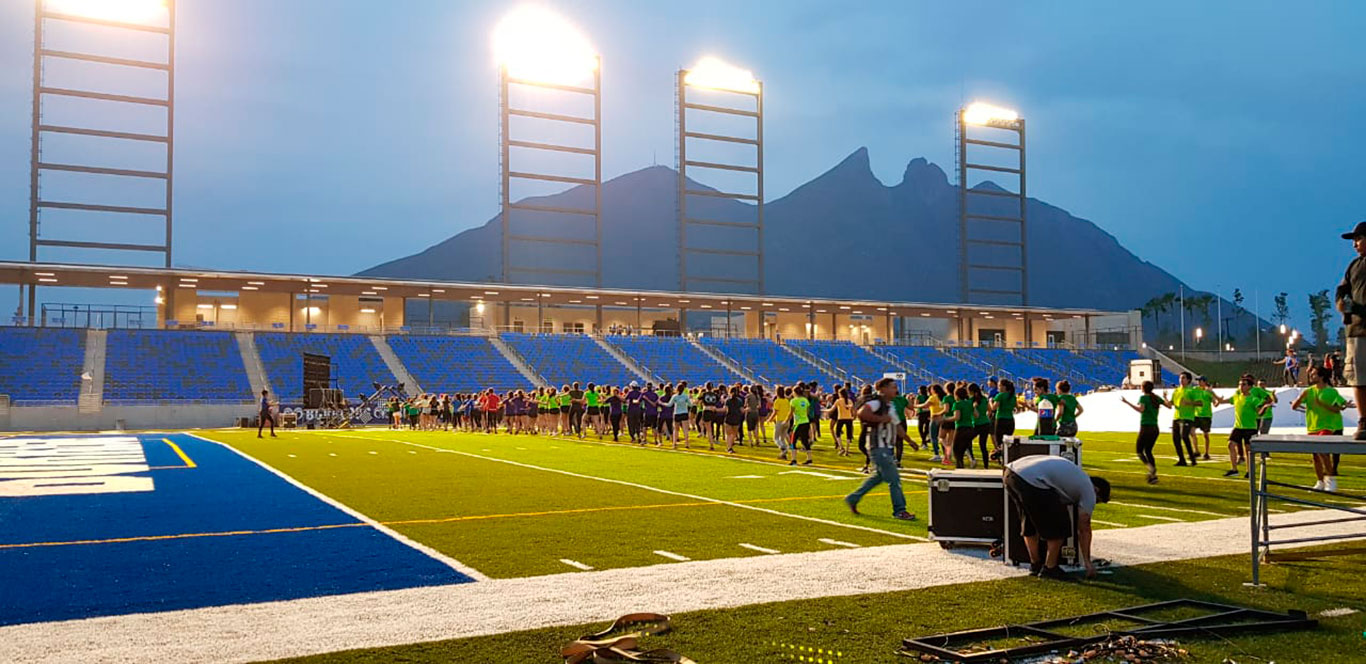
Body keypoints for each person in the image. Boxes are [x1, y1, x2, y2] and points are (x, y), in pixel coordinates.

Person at [1004, 454, 1110, 580]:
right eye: (1097, 501)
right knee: (1061, 526)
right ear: (1096, 490)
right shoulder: (1088, 489)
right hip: (1031, 479)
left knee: (1029, 523)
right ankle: (1050, 568)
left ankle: (1036, 564)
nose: (1094, 504)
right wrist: (1087, 561)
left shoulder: (1075, 478)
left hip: (1010, 473)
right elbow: (1084, 528)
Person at [843, 377, 917, 522]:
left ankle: (853, 497)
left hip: (885, 447)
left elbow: (897, 426)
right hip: (879, 447)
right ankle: (900, 510)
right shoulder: (877, 403)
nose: (895, 390)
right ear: (882, 389)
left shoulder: (890, 405)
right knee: (894, 480)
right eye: (892, 387)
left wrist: (910, 441)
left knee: (878, 477)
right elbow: (862, 413)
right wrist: (882, 419)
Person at [1291, 365, 1354, 492]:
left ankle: (1330, 479)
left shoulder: (1331, 391)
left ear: (1321, 377)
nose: (1311, 376)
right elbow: (1294, 406)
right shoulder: (1308, 391)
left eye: (1314, 374)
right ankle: (1320, 481)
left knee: (1322, 452)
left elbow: (1338, 409)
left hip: (1326, 426)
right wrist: (1298, 400)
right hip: (1312, 426)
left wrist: (1322, 404)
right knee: (1315, 456)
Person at [1120, 381, 1167, 484]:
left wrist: (1127, 402)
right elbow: (1168, 405)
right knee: (1149, 451)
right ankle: (1153, 476)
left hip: (1146, 427)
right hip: (1155, 428)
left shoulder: (1143, 398)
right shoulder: (1156, 398)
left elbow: (1141, 409)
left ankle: (1150, 468)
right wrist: (1165, 397)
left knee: (1139, 451)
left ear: (1143, 388)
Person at [1224, 375, 1271, 477]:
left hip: (1250, 427)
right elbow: (1224, 401)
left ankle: (1249, 471)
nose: (1241, 387)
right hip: (1238, 426)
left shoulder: (1253, 399)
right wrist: (1214, 396)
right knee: (1230, 445)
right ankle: (1234, 469)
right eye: (1240, 384)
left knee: (1248, 450)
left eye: (1244, 385)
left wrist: (1265, 407)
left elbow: (1259, 413)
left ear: (1249, 387)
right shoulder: (1236, 396)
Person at [1167, 372, 1199, 467]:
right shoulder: (1176, 391)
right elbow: (1171, 403)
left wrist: (1188, 403)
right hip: (1177, 417)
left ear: (1188, 380)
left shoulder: (1192, 391)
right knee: (1175, 439)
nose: (1181, 380)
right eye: (1180, 378)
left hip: (1187, 417)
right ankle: (1182, 459)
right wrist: (1166, 400)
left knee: (1184, 436)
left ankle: (1192, 458)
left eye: (1183, 378)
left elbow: (1200, 403)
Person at [943, 385, 976, 468]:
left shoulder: (957, 404)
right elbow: (976, 414)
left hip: (961, 428)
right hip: (970, 428)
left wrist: (945, 419)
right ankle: (971, 460)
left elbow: (956, 417)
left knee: (957, 451)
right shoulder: (969, 403)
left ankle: (960, 468)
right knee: (966, 447)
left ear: (956, 395)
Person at [1190, 376, 1216, 460]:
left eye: (1200, 381)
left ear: (1204, 382)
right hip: (1196, 414)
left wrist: (1214, 396)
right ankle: (1196, 450)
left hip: (1206, 415)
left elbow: (1214, 403)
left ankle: (1206, 452)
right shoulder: (1195, 390)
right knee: (1192, 431)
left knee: (1205, 435)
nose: (1198, 382)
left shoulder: (1208, 391)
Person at [788, 384, 814, 466]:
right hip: (806, 422)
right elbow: (807, 411)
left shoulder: (793, 401)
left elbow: (791, 413)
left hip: (798, 423)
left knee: (793, 441)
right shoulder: (805, 400)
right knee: (805, 441)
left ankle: (793, 459)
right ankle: (809, 458)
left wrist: (786, 421)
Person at [770, 385, 793, 460]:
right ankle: (783, 454)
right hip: (787, 421)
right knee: (782, 438)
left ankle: (785, 449)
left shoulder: (777, 401)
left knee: (776, 438)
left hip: (780, 421)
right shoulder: (786, 401)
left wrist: (770, 419)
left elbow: (775, 412)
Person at [668, 382, 692, 450]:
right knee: (685, 430)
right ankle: (687, 443)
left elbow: (669, 405)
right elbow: (690, 405)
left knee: (676, 429)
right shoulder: (685, 396)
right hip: (684, 413)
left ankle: (674, 443)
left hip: (677, 413)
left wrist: (662, 403)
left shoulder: (675, 396)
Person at [833, 388, 855, 459]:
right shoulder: (849, 400)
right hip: (849, 418)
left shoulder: (838, 401)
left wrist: (825, 411)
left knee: (837, 433)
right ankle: (847, 450)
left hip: (841, 418)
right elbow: (852, 407)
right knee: (849, 435)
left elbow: (832, 409)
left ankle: (841, 447)